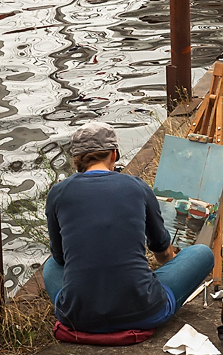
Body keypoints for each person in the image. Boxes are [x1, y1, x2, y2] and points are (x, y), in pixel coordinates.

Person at [43, 121, 214, 333]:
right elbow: (162, 251)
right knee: (202, 253)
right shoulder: (137, 187)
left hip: (77, 318)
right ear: (114, 154)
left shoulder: (58, 193)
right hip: (145, 313)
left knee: (50, 266)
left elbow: (60, 258)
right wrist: (168, 268)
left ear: (76, 158)